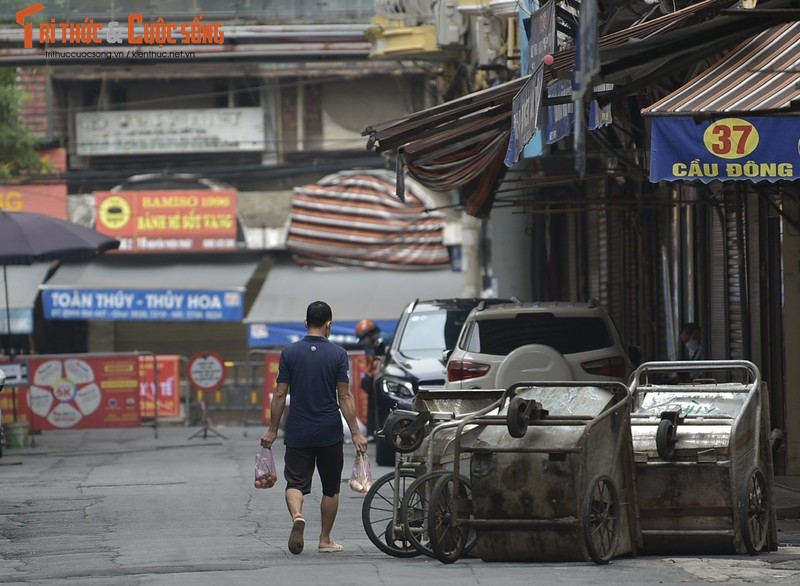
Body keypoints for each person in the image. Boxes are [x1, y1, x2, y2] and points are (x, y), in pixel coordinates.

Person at [261, 301, 368, 555]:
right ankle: (325, 539)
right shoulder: (339, 354)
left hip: (298, 429)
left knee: (295, 483)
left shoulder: (289, 353)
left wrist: (272, 430)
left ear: (306, 323)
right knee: (331, 487)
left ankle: (298, 515)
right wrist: (355, 432)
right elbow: (345, 397)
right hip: (329, 430)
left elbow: (279, 395)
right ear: (329, 324)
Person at [355, 319, 386, 440]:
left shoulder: (384, 342)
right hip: (374, 379)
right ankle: (372, 431)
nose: (364, 342)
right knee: (372, 405)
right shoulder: (370, 346)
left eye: (364, 338)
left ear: (369, 335)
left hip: (384, 379)